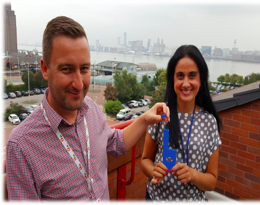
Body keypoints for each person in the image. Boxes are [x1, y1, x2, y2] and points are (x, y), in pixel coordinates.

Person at [6, 16, 170, 204]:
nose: (78, 83)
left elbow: (115, 144)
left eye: (84, 68)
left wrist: (144, 119)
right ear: (45, 69)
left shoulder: (91, 108)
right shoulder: (21, 146)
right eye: (67, 69)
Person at [141, 45, 222, 204]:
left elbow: (212, 181)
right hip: (156, 200)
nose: (186, 83)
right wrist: (154, 171)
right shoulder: (161, 114)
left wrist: (192, 175)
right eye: (180, 76)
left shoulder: (209, 122)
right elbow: (145, 160)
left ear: (201, 79)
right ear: (173, 79)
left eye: (192, 75)